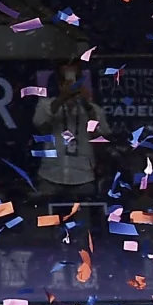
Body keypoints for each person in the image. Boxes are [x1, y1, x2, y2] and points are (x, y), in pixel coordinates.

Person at [32, 62, 109, 205]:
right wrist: (62, 98)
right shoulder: (46, 104)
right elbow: (39, 123)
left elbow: (101, 134)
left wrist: (87, 105)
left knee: (84, 223)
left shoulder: (92, 108)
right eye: (65, 80)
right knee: (50, 221)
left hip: (83, 175)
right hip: (51, 174)